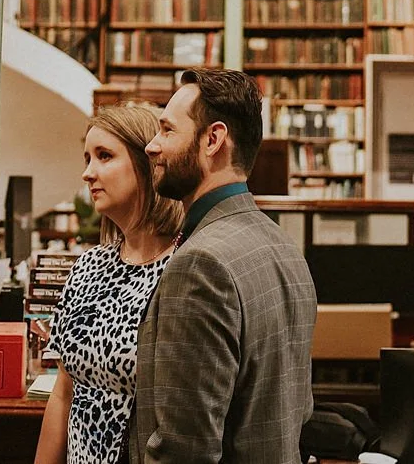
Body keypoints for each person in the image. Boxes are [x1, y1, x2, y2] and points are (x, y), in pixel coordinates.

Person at [130, 68, 317, 464]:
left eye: (167, 130)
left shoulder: (201, 264)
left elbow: (185, 450)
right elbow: (298, 412)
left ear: (212, 139)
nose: (151, 146)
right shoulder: (284, 247)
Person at [35, 103, 184, 464]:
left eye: (104, 156)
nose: (88, 173)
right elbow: (63, 393)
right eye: (87, 158)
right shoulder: (88, 266)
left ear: (148, 162)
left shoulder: (184, 270)